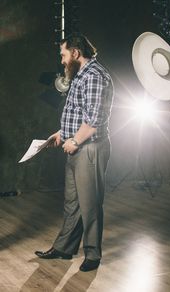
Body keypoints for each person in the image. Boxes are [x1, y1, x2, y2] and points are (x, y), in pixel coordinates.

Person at [35, 33, 114, 272]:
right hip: (75, 144)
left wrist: (76, 141)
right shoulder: (81, 74)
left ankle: (93, 254)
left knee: (90, 204)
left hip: (88, 149)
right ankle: (64, 248)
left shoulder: (94, 76)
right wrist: (62, 134)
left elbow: (94, 119)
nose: (61, 60)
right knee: (72, 203)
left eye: (63, 54)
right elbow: (77, 112)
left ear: (76, 53)